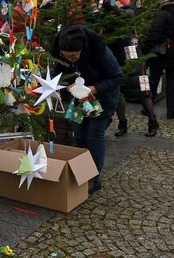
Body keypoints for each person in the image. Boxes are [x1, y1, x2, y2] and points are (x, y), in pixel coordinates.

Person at [52, 25, 123, 192]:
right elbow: (57, 75)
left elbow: (117, 76)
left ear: (83, 49)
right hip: (79, 102)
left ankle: (94, 178)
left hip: (102, 99)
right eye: (66, 56)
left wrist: (94, 88)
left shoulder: (101, 52)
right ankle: (81, 172)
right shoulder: (60, 53)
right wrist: (65, 86)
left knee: (94, 136)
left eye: (74, 56)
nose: (70, 60)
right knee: (80, 136)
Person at [140, 0, 174, 136]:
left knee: (154, 79)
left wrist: (145, 47)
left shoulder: (163, 13)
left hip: (161, 52)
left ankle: (148, 108)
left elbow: (154, 34)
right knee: (172, 80)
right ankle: (171, 111)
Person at [92, 0, 135, 137]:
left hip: (121, 56)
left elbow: (119, 15)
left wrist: (107, 4)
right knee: (111, 91)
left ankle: (124, 122)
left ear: (122, 2)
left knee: (120, 91)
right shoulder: (112, 13)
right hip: (108, 54)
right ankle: (110, 120)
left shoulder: (128, 12)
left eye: (116, 0)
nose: (114, 3)